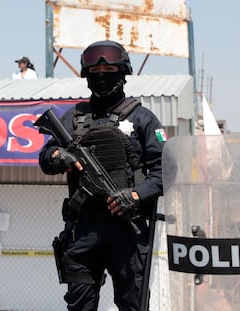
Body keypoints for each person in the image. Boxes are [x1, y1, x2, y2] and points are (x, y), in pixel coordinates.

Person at [39, 40, 166, 311]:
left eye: (109, 68)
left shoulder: (143, 119)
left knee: (133, 304)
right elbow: (45, 157)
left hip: (127, 233)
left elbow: (164, 173)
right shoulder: (72, 117)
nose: (102, 75)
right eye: (95, 71)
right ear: (86, 76)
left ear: (122, 72)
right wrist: (57, 156)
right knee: (80, 306)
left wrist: (134, 195)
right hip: (83, 231)